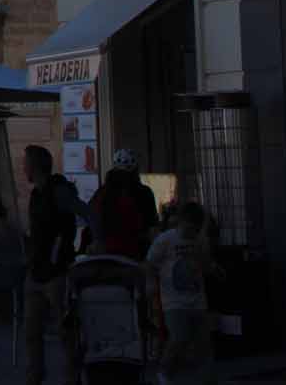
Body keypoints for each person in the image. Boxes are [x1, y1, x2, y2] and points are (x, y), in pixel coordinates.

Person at [20, 143, 86, 385]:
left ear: (34, 167)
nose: (22, 167)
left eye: (25, 163)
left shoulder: (59, 191)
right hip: (36, 271)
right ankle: (33, 379)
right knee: (31, 333)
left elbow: (85, 212)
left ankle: (72, 379)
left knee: (65, 331)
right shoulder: (36, 194)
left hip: (56, 273)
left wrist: (93, 242)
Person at [145, 201, 215, 385]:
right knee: (179, 337)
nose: (190, 233)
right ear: (181, 222)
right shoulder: (166, 240)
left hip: (197, 298)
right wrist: (151, 285)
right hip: (173, 300)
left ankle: (205, 378)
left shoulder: (199, 241)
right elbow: (150, 263)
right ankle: (165, 371)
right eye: (188, 228)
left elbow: (205, 265)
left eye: (195, 229)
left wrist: (211, 264)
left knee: (203, 344)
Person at [91, 149, 157, 260]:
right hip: (135, 252)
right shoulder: (144, 192)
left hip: (106, 253)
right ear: (136, 169)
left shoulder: (102, 192)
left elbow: (92, 218)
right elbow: (151, 225)